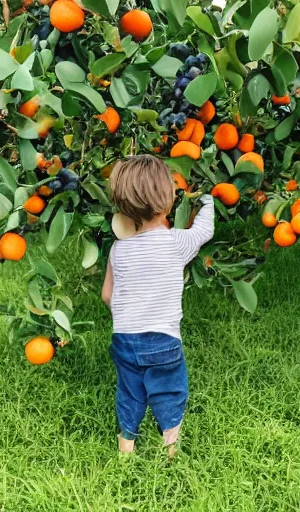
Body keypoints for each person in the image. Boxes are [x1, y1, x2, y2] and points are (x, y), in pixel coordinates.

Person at [101, 155, 214, 456]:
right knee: (170, 391)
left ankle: (126, 447)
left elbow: (107, 295)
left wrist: (128, 316)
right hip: (163, 340)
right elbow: (204, 232)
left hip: (124, 339)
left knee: (130, 391)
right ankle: (170, 449)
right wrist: (208, 200)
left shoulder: (118, 249)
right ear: (168, 203)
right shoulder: (175, 242)